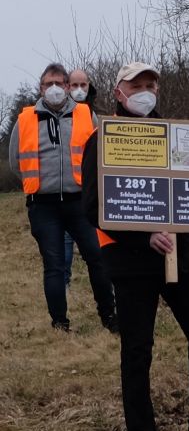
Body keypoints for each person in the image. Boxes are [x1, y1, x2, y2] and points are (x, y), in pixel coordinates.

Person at [81, 62, 189, 431]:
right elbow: (94, 207)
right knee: (137, 348)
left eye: (151, 84)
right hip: (130, 262)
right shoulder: (102, 140)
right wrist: (144, 236)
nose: (145, 91)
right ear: (118, 92)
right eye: (136, 85)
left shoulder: (178, 136)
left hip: (180, 258)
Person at [9, 62, 116, 333]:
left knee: (98, 257)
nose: (54, 88)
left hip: (80, 202)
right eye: (48, 84)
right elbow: (15, 163)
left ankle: (109, 316)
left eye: (60, 83)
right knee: (54, 266)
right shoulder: (24, 119)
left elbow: (99, 155)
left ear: (68, 87)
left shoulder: (85, 115)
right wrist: (39, 184)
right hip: (43, 206)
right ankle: (60, 323)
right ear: (41, 88)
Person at [61, 69, 98, 286]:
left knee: (92, 246)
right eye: (74, 85)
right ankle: (65, 282)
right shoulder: (59, 112)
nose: (79, 90)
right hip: (66, 189)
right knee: (65, 240)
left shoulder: (91, 113)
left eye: (83, 85)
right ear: (67, 86)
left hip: (87, 190)